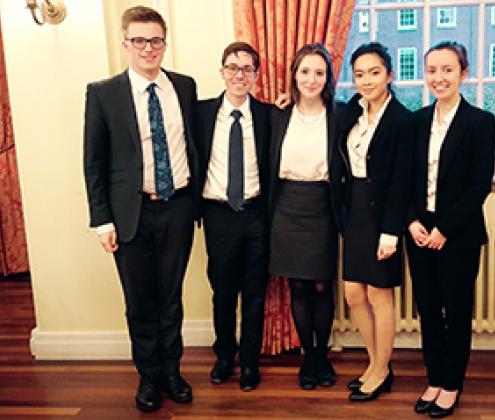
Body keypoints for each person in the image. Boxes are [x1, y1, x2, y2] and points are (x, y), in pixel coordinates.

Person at [83, 6, 198, 413]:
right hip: (129, 214)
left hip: (178, 208)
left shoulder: (184, 87)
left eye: (156, 40)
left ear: (165, 43)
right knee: (139, 301)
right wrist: (101, 220)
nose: (148, 48)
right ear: (125, 43)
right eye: (139, 40)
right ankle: (148, 377)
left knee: (171, 298)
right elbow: (93, 161)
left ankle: (172, 371)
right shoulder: (103, 92)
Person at [406, 41, 495, 418]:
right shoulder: (416, 121)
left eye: (447, 69)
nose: (438, 77)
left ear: (463, 73)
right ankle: (434, 378)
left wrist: (443, 228)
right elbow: (405, 180)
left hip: (457, 235)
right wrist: (412, 221)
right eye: (432, 70)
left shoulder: (480, 122)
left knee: (455, 311)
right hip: (419, 234)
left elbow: (480, 186)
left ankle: (452, 384)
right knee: (427, 310)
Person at [191, 42, 271, 392]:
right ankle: (225, 357)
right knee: (223, 291)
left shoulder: (270, 115)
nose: (240, 74)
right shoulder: (199, 113)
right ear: (222, 71)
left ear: (256, 75)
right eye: (233, 67)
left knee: (254, 293)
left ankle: (250, 362)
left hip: (256, 213)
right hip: (218, 214)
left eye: (247, 69)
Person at [338, 42, 413, 402]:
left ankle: (382, 369)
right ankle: (374, 362)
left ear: (389, 74)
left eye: (374, 72)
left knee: (379, 294)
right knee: (353, 293)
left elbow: (402, 180)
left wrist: (391, 232)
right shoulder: (352, 110)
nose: (366, 81)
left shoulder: (402, 119)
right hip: (353, 210)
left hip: (382, 214)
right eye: (359, 74)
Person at [268, 43, 345, 390]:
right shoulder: (278, 114)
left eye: (319, 72)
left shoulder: (341, 115)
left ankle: (322, 356)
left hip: (323, 206)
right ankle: (307, 357)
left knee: (320, 284)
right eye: (305, 71)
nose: (311, 79)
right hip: (286, 206)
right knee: (297, 284)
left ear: (327, 77)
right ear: (294, 75)